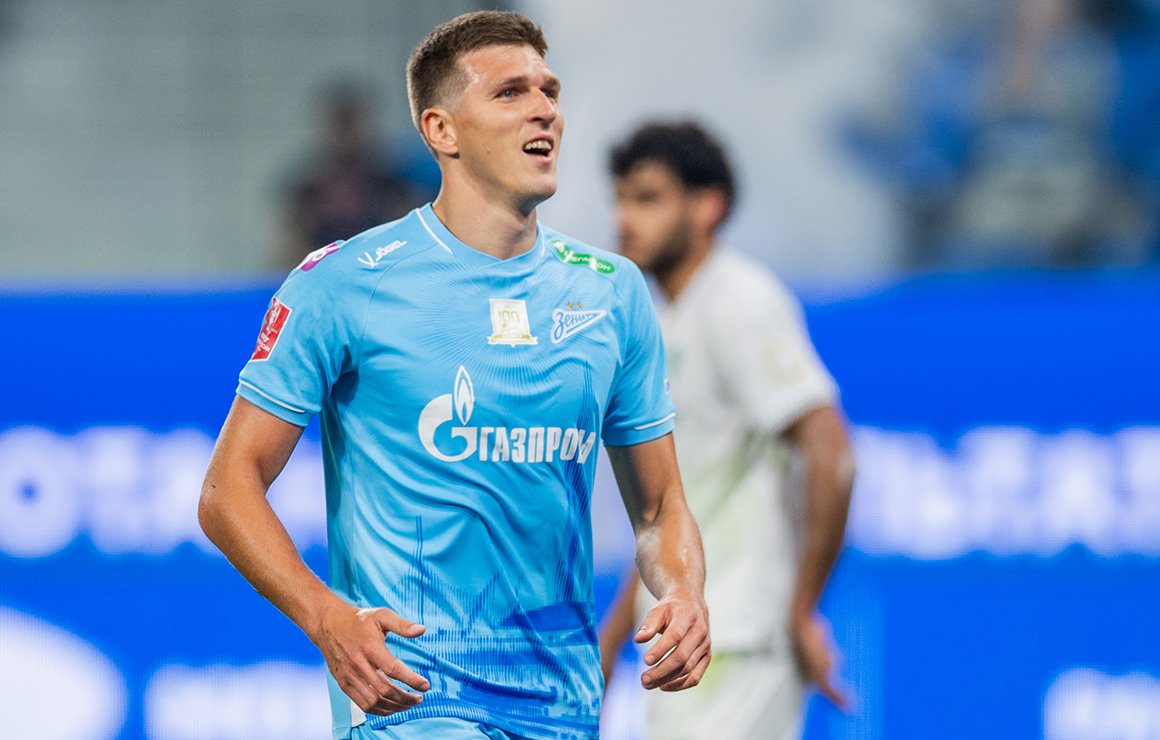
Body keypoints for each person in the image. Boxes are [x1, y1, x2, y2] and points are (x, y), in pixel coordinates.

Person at [198, 12, 710, 740]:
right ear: (441, 131)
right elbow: (228, 488)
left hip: (563, 704)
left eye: (550, 90)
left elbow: (658, 510)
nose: (544, 110)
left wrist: (683, 591)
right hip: (413, 699)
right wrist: (326, 617)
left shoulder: (612, 292)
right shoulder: (344, 283)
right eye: (510, 93)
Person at [599, 121, 854, 740]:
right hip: (686, 642)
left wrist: (800, 610)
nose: (625, 219)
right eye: (621, 199)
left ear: (708, 206)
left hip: (735, 637)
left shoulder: (739, 300)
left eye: (648, 198)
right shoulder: (665, 321)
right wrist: (609, 644)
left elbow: (833, 455)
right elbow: (672, 512)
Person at [279, 79, 429, 270]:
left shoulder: (393, 185)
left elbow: (409, 239)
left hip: (380, 271)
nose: (347, 135)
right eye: (340, 126)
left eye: (353, 125)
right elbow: (291, 248)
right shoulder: (309, 190)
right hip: (326, 274)